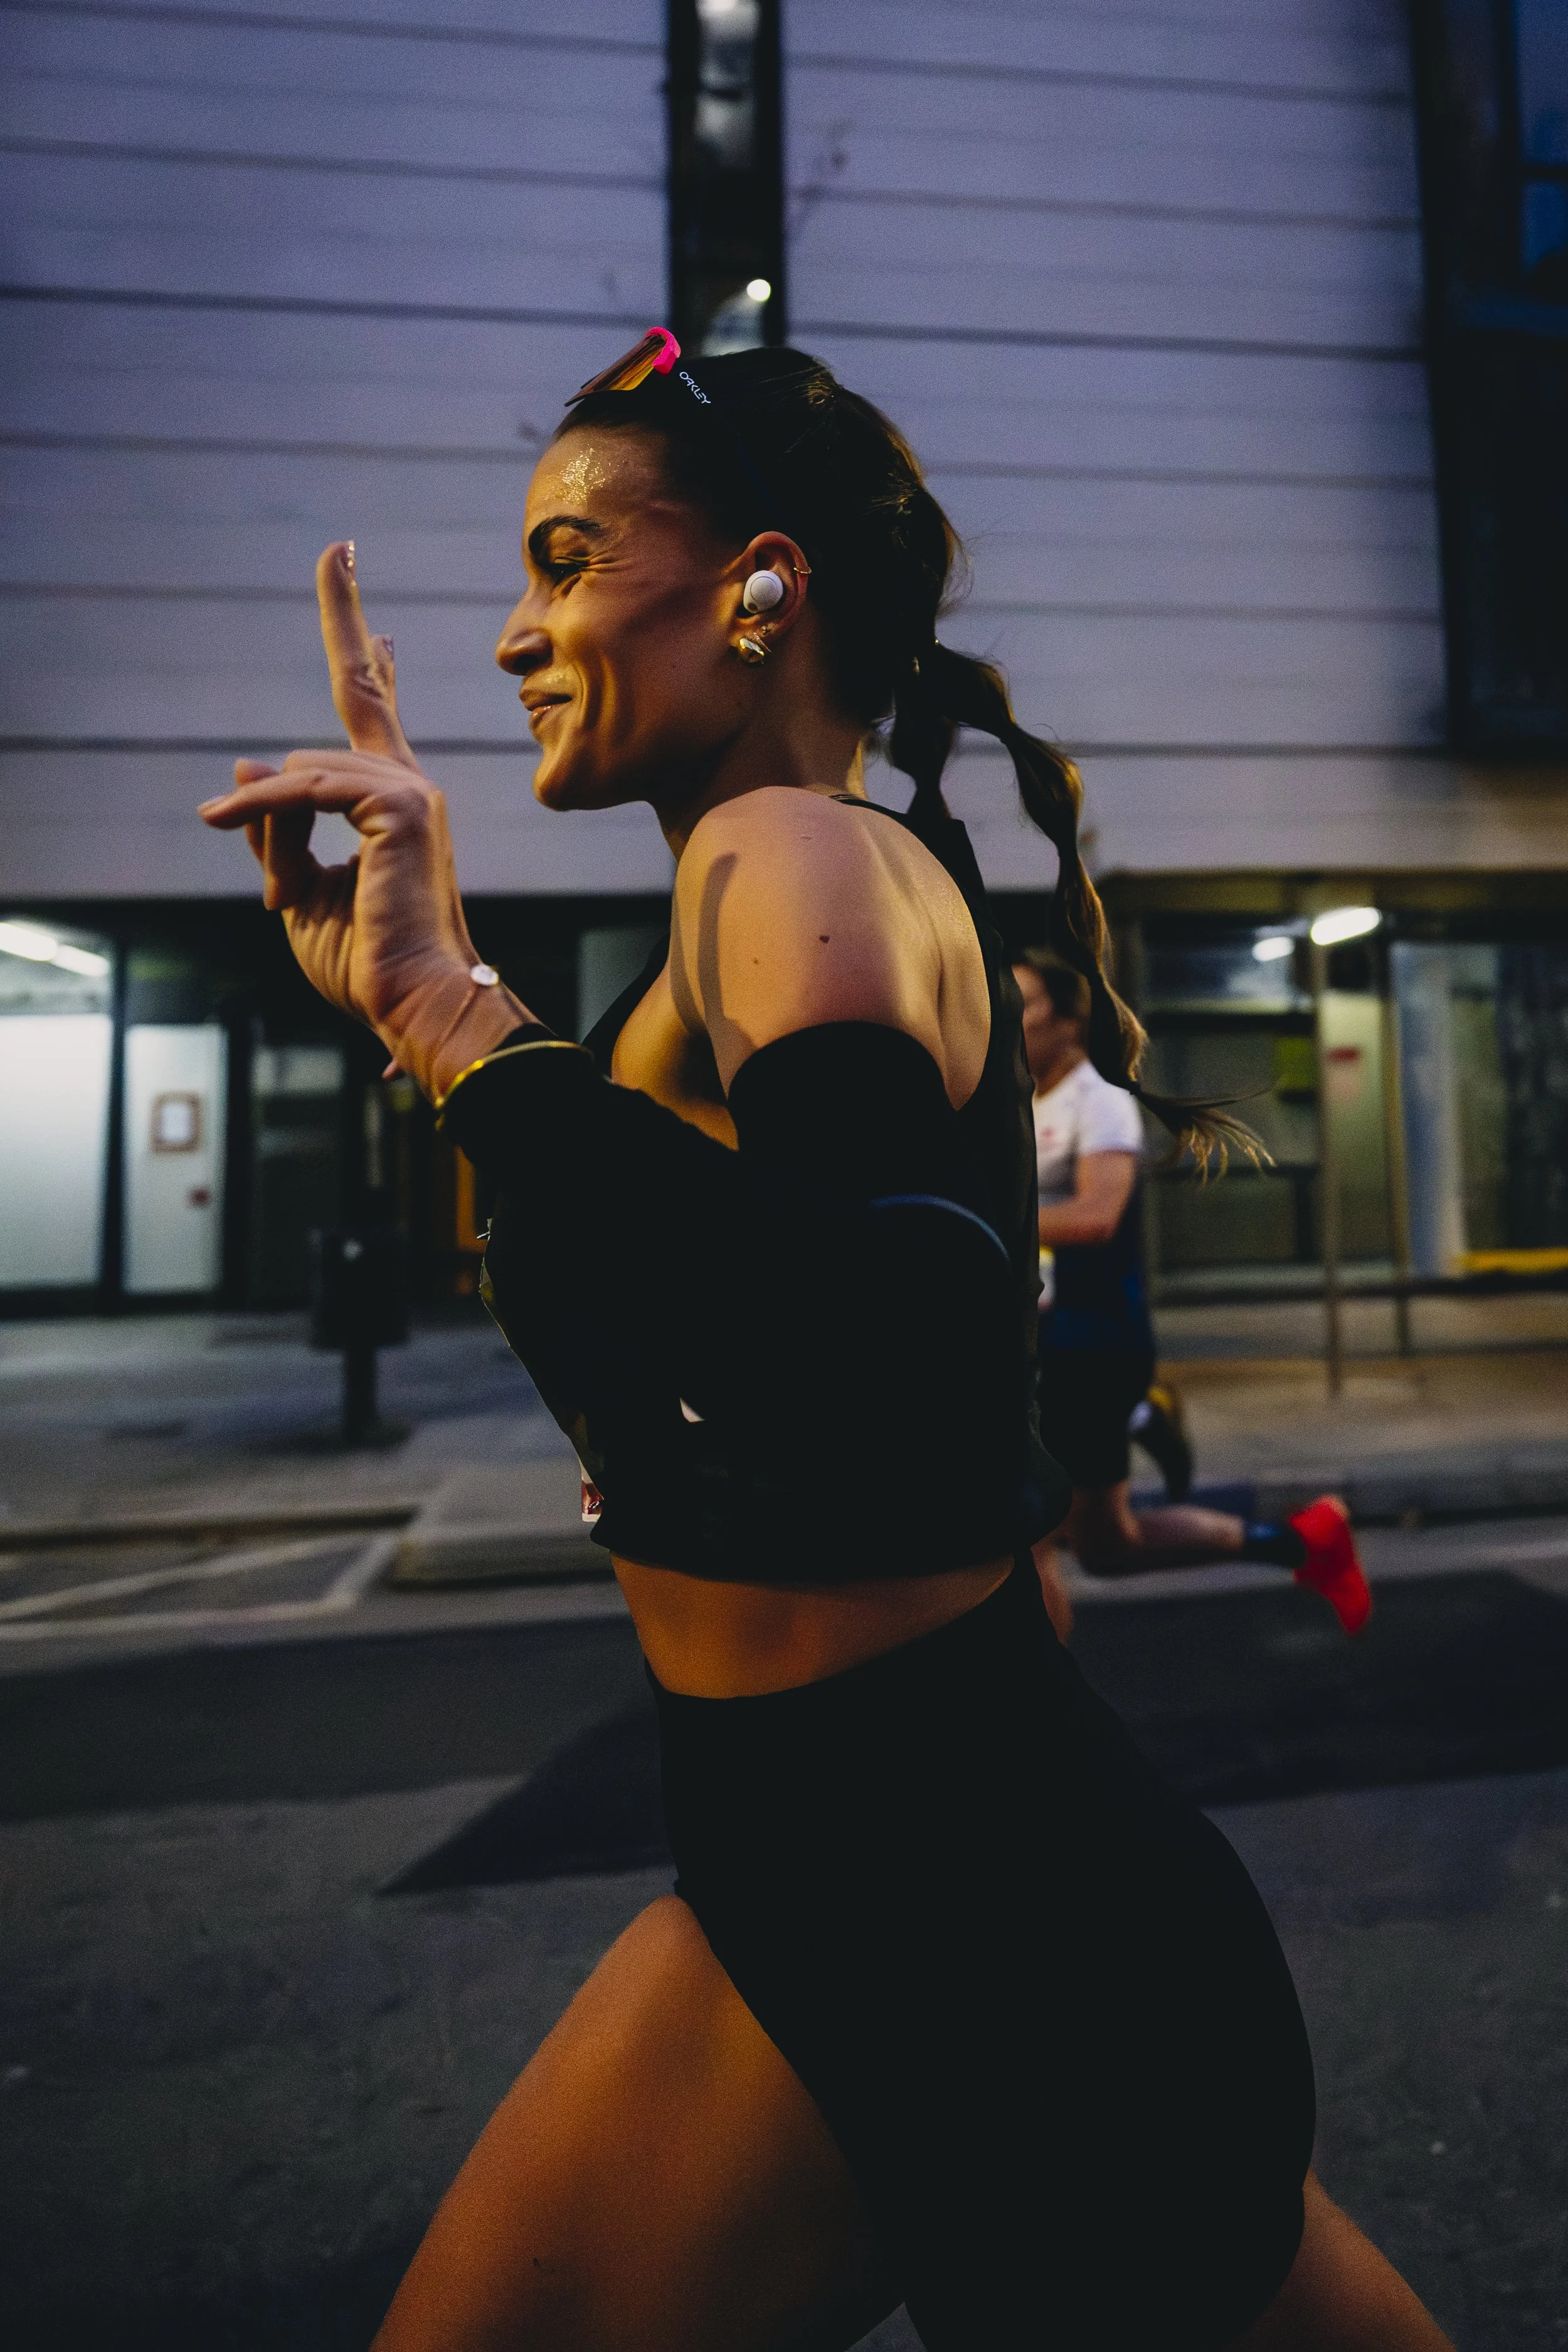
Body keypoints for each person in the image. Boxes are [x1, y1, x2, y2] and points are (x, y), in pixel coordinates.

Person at [200, 332, 1451, 2351]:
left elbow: (882, 1336)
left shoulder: (779, 851)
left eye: (564, 558)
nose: (516, 635)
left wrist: (454, 1018)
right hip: (893, 1883)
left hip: (945, 1916)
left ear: (759, 586)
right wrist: (452, 1027)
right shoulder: (791, 888)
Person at [1015, 952, 1374, 1643]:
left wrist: (989, 1222)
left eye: (1023, 1006)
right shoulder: (1022, 1099)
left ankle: (1041, 1727)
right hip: (1046, 1345)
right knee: (1106, 1548)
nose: (1007, 1020)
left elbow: (1096, 1215)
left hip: (1088, 1344)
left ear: (1066, 1022)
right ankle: (1302, 1543)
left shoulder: (1099, 1100)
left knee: (1031, 1542)